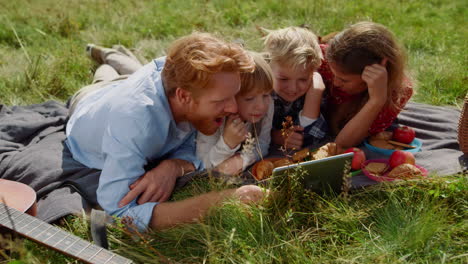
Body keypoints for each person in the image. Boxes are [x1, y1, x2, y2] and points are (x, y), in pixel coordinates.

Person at [65, 32, 266, 231]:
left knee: (128, 72)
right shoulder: (134, 123)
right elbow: (120, 211)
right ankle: (106, 60)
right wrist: (224, 200)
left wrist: (174, 166)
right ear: (183, 97)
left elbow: (190, 145)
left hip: (126, 87)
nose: (233, 108)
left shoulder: (185, 80)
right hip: (89, 102)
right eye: (221, 100)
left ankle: (111, 58)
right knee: (102, 79)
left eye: (234, 96)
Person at [318, 21, 413, 149]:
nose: (335, 82)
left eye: (344, 80)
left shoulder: (397, 92)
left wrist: (377, 100)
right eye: (333, 74)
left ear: (376, 72)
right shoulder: (322, 59)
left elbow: (343, 143)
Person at [196, 51, 274, 175]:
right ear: (230, 97)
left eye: (266, 95)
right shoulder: (214, 119)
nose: (261, 105)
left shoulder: (268, 105)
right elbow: (202, 164)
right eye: (249, 98)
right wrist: (227, 143)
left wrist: (242, 160)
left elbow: (263, 144)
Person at [263, 26, 328, 150]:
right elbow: (247, 133)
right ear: (268, 68)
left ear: (313, 72)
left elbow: (312, 138)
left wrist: (314, 96)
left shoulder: (314, 88)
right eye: (283, 79)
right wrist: (274, 136)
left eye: (302, 79)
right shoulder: (260, 89)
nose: (293, 88)